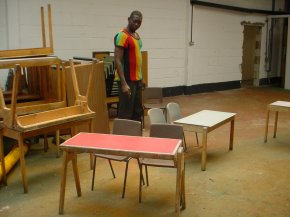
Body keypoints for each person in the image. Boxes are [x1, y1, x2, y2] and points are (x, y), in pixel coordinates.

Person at [114, 10, 144, 122]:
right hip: (127, 80)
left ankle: (136, 138)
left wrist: (142, 77)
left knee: (137, 112)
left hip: (137, 80)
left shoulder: (137, 36)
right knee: (126, 114)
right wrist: (123, 83)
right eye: (134, 21)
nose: (136, 24)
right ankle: (123, 139)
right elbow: (117, 59)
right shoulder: (122, 35)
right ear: (129, 19)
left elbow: (138, 58)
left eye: (139, 22)